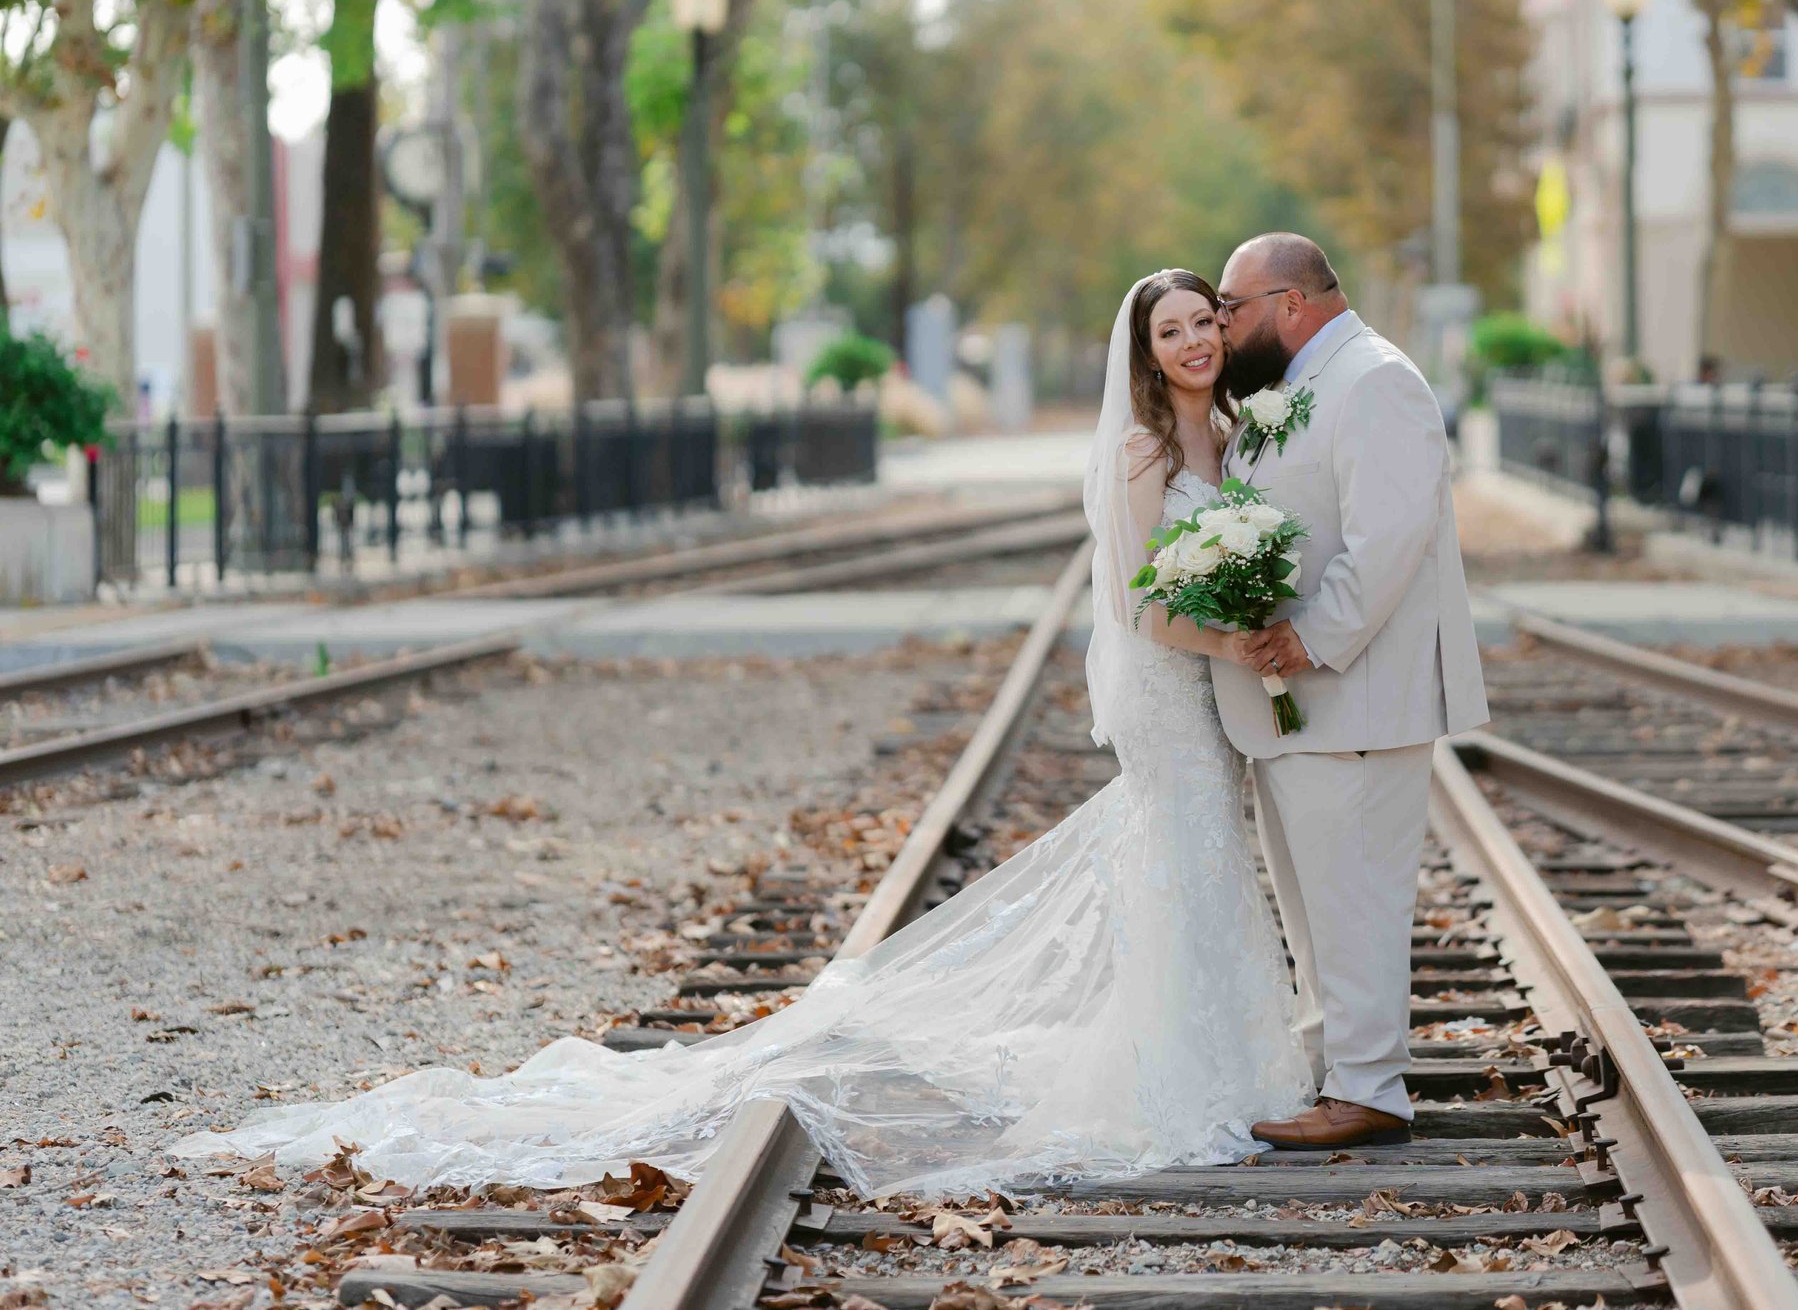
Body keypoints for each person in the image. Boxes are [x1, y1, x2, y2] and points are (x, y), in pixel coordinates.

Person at [171, 269, 1307, 1198]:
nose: (1196, 339)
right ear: (1142, 351)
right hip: (1171, 692)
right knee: (1182, 854)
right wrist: (1237, 643)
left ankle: (1219, 1065)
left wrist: (1247, 624)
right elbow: (1133, 604)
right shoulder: (1140, 455)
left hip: (1208, 693)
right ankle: (1178, 1082)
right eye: (1172, 328)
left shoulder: (1229, 435)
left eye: (1206, 320)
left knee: (1205, 862)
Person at [1212, 233, 1490, 1150]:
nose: (1222, 324)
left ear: (1290, 302)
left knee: (1358, 899)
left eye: (1232, 306)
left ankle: (1372, 1090)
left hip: (1356, 693)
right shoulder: (1293, 391)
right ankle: (1337, 1073)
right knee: (1315, 904)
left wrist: (1307, 635)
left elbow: (1387, 544)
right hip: (1302, 704)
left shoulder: (1377, 381)